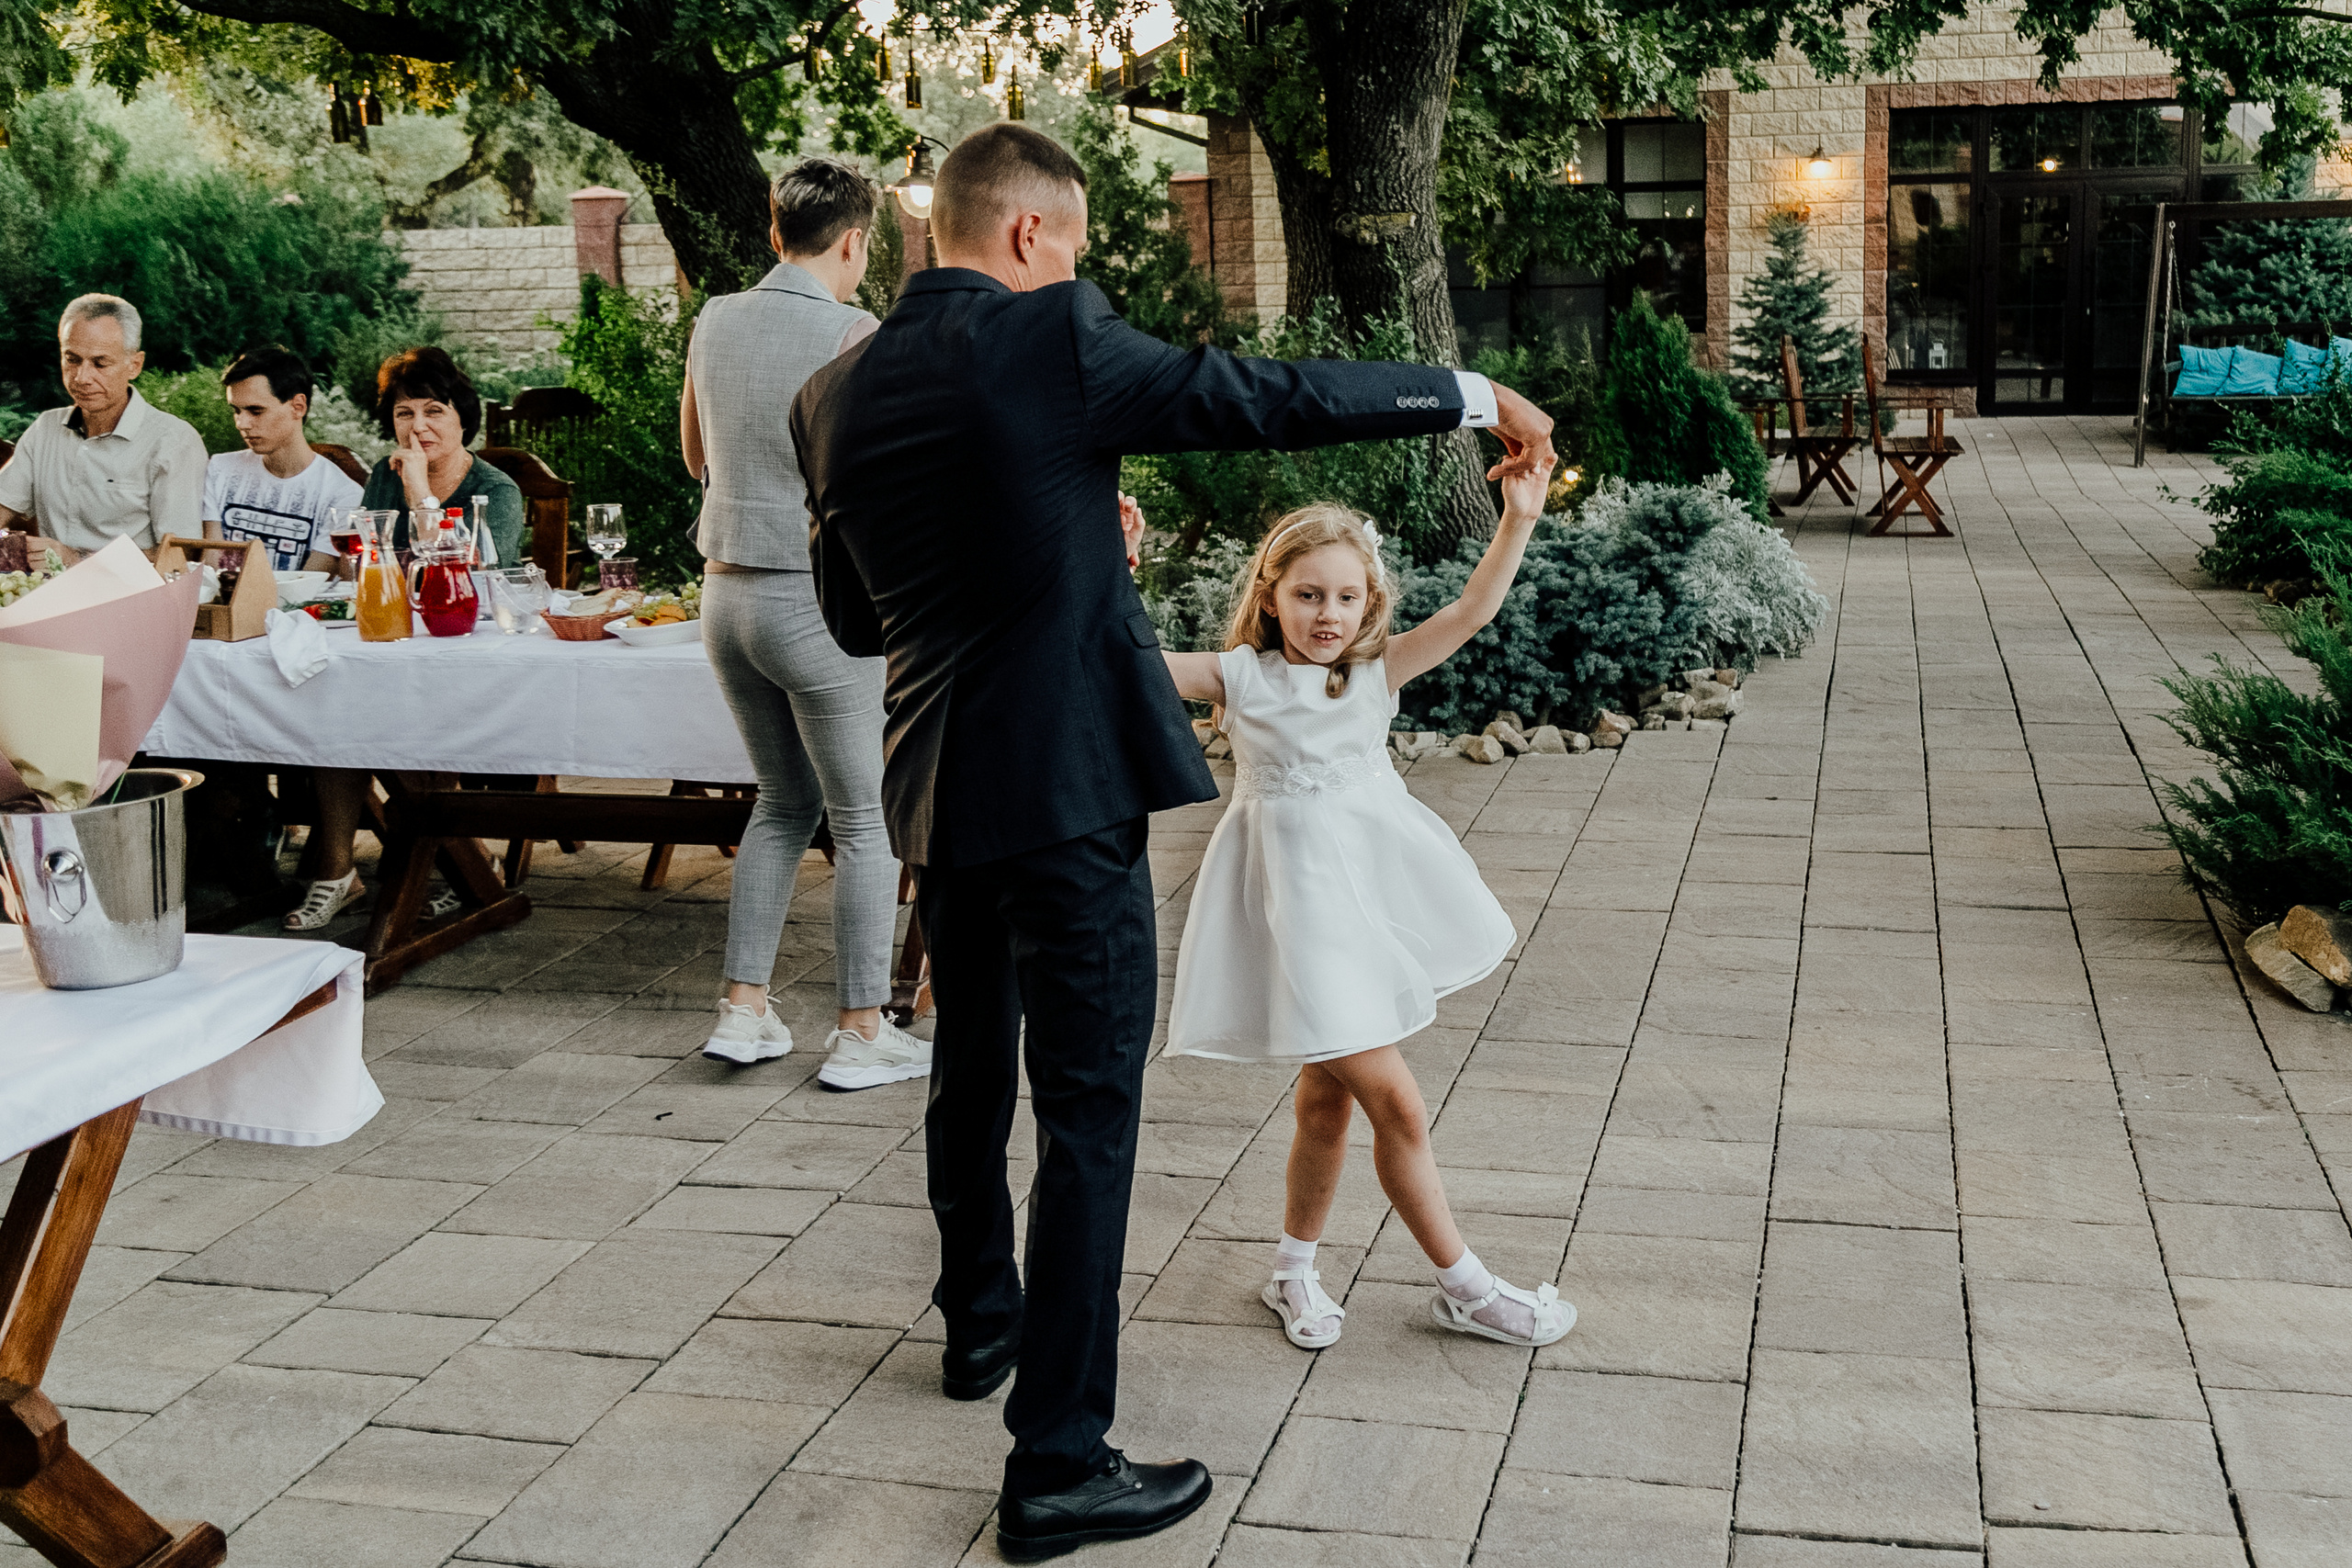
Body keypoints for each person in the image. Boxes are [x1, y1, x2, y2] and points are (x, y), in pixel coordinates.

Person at [791, 121, 1555, 1562]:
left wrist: (1052, 548)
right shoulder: (1054, 337)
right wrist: (1468, 392)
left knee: (968, 1069)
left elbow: (850, 618)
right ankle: (1059, 1462)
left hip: (936, 790)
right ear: (1030, 236)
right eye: (1074, 243)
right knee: (1087, 1114)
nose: (1079, 268)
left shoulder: (832, 389)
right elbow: (1260, 396)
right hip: (1069, 793)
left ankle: (980, 1330)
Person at [1158, 488, 1577, 1354]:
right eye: (1308, 593)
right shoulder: (1242, 676)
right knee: (1399, 1104)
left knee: (1325, 1104)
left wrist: (1521, 517)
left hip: (1364, 921)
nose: (1328, 613)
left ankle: (1292, 1269)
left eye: (1347, 596)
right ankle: (1465, 1286)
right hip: (1298, 928)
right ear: (1270, 593)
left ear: (1371, 602)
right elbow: (1124, 658)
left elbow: (1472, 607)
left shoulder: (1374, 673)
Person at [678, 156, 927, 1082]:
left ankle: (743, 1011)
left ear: (776, 234)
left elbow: (696, 456)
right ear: (856, 241)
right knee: (864, 821)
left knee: (781, 806)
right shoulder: (855, 329)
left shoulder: (715, 319)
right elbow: (878, 482)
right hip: (814, 601)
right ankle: (862, 1031)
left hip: (724, 598)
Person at [0, 294, 205, 557]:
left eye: (100, 363)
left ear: (135, 365)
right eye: (72, 359)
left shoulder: (173, 440)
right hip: (50, 593)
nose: (82, 377)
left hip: (135, 596)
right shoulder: (45, 428)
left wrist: (75, 561)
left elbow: (179, 554)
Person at [356, 346, 525, 567]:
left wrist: (419, 492)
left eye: (434, 411)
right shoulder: (385, 474)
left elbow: (465, 576)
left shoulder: (495, 491)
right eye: (405, 413)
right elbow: (363, 564)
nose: (417, 427)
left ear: (463, 419)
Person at [203, 345, 362, 576]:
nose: (241, 423)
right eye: (236, 411)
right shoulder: (220, 469)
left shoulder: (343, 495)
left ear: (298, 406)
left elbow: (307, 583)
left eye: (256, 411)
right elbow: (211, 567)